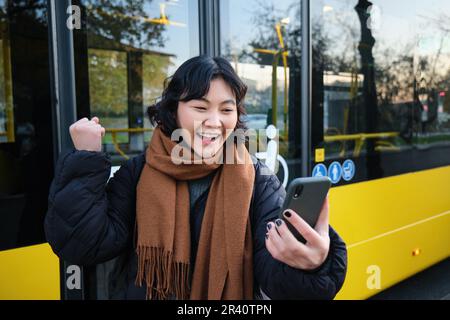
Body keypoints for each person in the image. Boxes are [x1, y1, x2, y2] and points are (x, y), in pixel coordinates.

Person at [45, 55, 347, 300]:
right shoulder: (138, 172)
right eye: (200, 107)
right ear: (174, 110)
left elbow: (275, 277)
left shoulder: (258, 180)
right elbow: (85, 245)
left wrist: (311, 265)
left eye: (226, 110)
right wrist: (86, 158)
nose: (214, 122)